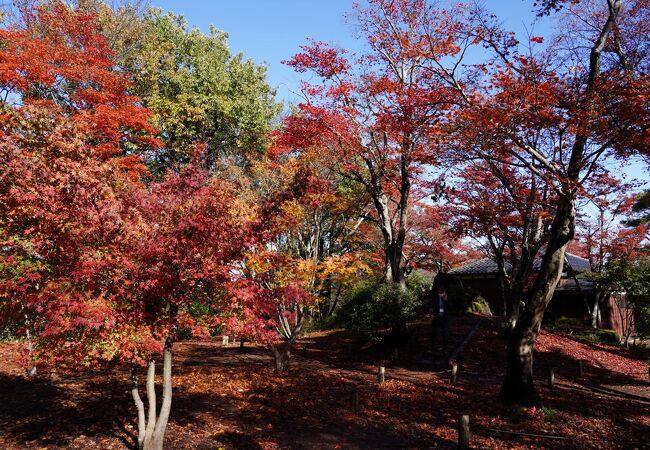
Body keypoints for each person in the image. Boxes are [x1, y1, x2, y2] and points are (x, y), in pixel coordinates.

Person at [432, 288, 449, 353]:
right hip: (437, 318)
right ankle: (434, 348)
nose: (442, 294)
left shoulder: (446, 299)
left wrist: (446, 300)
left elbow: (451, 307)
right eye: (440, 293)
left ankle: (445, 348)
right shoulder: (435, 299)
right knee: (435, 333)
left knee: (445, 333)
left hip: (444, 318)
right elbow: (432, 307)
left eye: (443, 292)